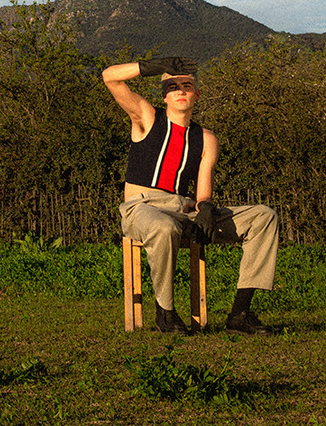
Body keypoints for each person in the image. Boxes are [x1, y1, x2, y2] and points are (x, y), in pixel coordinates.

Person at [102, 55, 279, 334]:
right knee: (164, 226)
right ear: (164, 96)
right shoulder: (147, 117)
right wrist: (158, 66)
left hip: (185, 210)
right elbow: (109, 77)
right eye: (173, 87)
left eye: (187, 86)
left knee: (263, 216)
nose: (181, 91)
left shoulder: (206, 138)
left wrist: (206, 209)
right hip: (142, 209)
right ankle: (165, 313)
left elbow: (203, 191)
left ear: (197, 94)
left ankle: (240, 314)